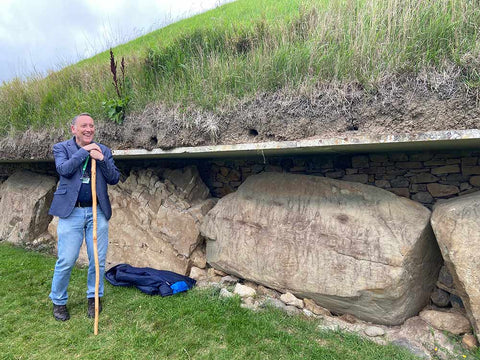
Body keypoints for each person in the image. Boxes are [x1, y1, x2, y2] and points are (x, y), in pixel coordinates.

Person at [48, 113, 120, 321]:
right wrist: (85, 151)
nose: (88, 129)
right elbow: (64, 170)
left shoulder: (103, 150)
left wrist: (102, 159)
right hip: (71, 213)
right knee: (66, 259)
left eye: (91, 126)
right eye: (83, 126)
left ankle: (94, 298)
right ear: (73, 129)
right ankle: (59, 301)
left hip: (97, 211)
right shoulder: (61, 148)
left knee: (97, 260)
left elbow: (114, 178)